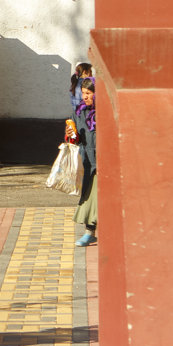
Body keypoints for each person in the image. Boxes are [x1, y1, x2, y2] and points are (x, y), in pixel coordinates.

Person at [71, 77, 98, 247]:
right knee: (89, 196)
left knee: (96, 198)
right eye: (83, 94)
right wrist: (71, 133)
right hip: (88, 160)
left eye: (89, 93)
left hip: (104, 161)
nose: (85, 97)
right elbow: (77, 140)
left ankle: (90, 232)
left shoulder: (106, 110)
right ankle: (90, 233)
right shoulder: (79, 112)